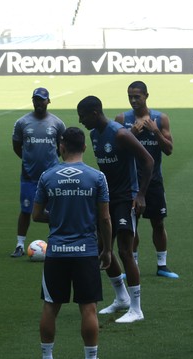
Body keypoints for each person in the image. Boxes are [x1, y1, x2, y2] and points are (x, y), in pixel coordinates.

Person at [32, 127, 114, 359]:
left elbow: (36, 215)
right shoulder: (96, 177)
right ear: (85, 148)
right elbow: (105, 218)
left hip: (56, 251)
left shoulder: (48, 176)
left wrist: (57, 218)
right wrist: (107, 249)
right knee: (87, 308)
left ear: (62, 146)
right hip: (86, 252)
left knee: (50, 307)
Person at [77, 96, 154, 324]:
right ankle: (121, 298)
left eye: (82, 116)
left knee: (124, 251)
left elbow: (148, 160)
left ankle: (136, 308)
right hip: (106, 198)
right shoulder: (94, 135)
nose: (80, 121)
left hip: (126, 198)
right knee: (103, 247)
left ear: (94, 113)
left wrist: (140, 194)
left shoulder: (119, 133)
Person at [115, 81, 178, 279]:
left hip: (153, 181)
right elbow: (116, 152)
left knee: (158, 223)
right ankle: (132, 265)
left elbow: (168, 150)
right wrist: (131, 135)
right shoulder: (122, 119)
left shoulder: (160, 119)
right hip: (130, 182)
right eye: (130, 96)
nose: (133, 100)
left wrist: (155, 131)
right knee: (132, 225)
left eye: (137, 96)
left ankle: (162, 265)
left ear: (146, 96)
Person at [10, 87, 66, 257]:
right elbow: (17, 147)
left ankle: (57, 243)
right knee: (26, 210)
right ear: (32, 100)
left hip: (51, 176)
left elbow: (61, 147)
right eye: (36, 99)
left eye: (42, 99)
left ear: (48, 101)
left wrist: (50, 162)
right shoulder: (22, 123)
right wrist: (29, 160)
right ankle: (20, 245)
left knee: (54, 209)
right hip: (29, 176)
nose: (39, 102)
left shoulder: (57, 123)